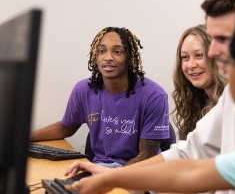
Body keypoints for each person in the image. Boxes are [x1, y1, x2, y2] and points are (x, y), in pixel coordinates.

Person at [65, 0, 235, 193]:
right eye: (185, 57)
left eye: (224, 40)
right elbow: (189, 162)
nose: (213, 51)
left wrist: (114, 177)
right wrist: (110, 177)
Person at [30, 27, 170, 167]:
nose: (108, 57)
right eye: (102, 51)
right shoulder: (84, 90)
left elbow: (147, 157)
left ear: (129, 57)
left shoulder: (154, 95)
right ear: (95, 57)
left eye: (117, 51)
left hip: (140, 172)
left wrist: (108, 177)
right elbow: (66, 127)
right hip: (100, 167)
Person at [172, 24, 226, 140]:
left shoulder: (232, 101)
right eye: (185, 57)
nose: (191, 65)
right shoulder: (196, 103)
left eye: (199, 56)